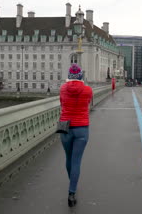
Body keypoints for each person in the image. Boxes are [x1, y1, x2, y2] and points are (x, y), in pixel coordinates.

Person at [59, 63, 93, 207]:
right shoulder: (88, 90)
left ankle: (72, 181)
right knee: (76, 160)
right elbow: (88, 104)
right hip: (81, 127)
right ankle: (71, 192)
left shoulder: (62, 88)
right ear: (81, 76)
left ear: (69, 75)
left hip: (65, 126)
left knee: (68, 158)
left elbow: (62, 103)